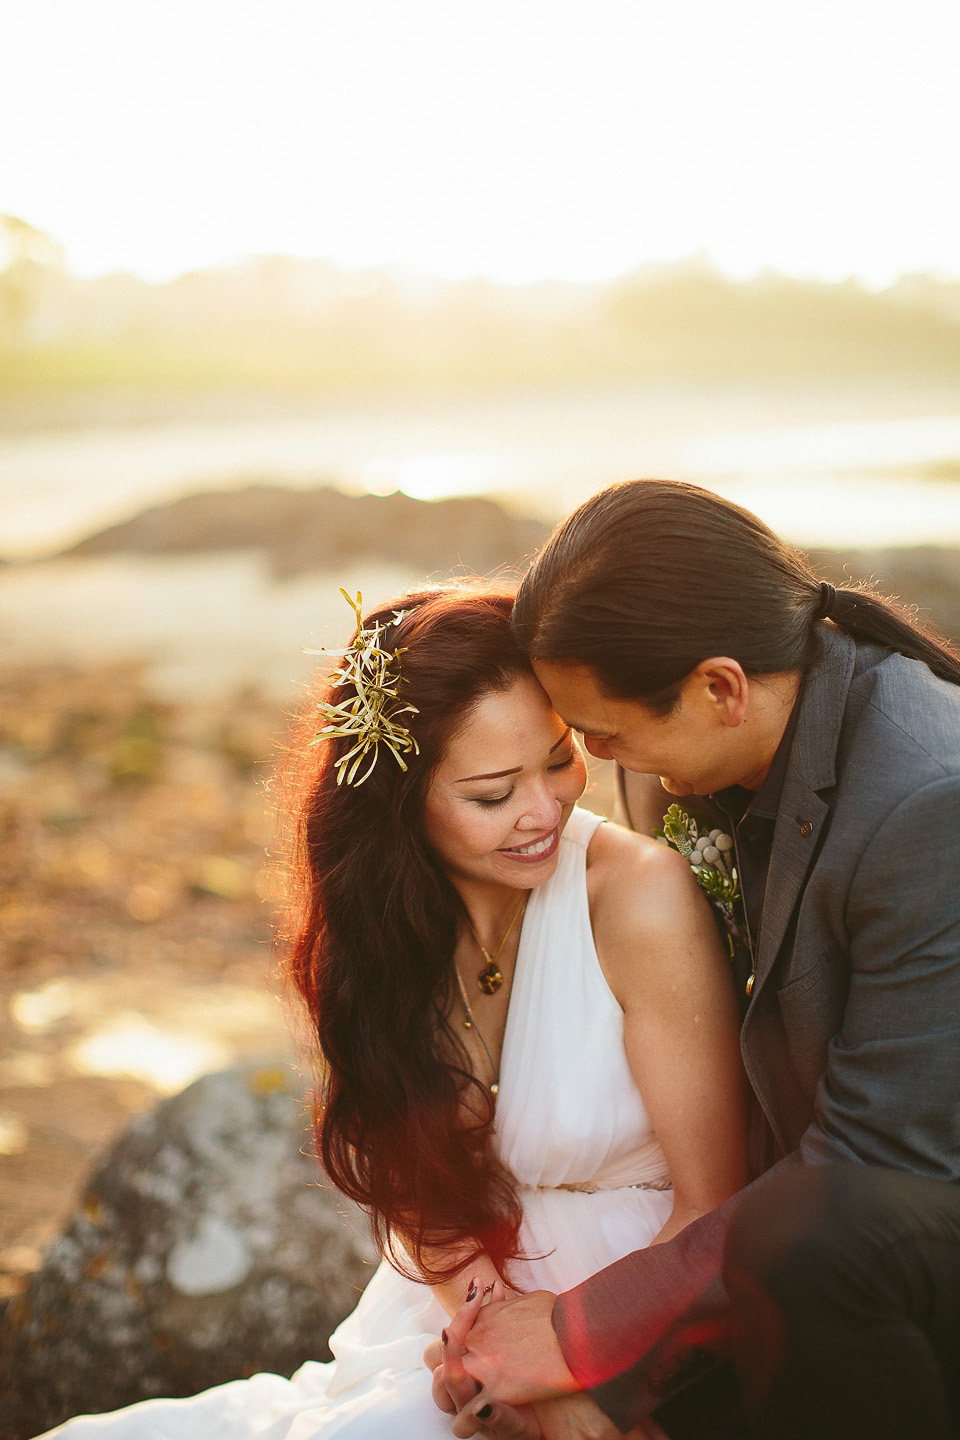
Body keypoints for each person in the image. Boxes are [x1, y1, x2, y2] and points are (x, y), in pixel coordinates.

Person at [38, 583, 747, 1440]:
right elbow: (423, 1192)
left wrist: (582, 1377)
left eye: (559, 759)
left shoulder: (638, 900)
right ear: (403, 800)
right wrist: (491, 1359)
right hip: (455, 1313)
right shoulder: (386, 929)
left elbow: (715, 1203)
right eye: (492, 793)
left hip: (640, 1306)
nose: (544, 811)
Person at [434, 480, 960, 1440]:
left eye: (601, 732)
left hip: (898, 1230)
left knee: (812, 1248)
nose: (587, 763)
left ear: (720, 687)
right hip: (757, 1225)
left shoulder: (927, 805)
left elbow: (873, 1164)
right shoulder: (685, 757)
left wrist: (583, 1342)